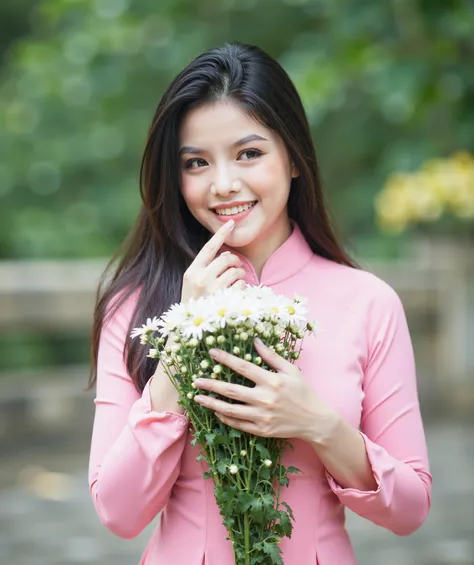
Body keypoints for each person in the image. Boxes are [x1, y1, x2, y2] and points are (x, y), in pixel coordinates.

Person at [88, 42, 432, 565]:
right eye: (196, 162)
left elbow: (409, 510)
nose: (224, 185)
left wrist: (319, 423)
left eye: (249, 153)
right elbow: (118, 513)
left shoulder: (368, 303)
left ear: (294, 158)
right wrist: (181, 343)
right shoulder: (137, 307)